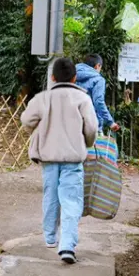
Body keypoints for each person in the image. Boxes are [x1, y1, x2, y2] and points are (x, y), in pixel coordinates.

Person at [21, 58, 98, 264]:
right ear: (75, 78)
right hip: (73, 158)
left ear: (53, 77)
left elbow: (26, 121)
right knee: (71, 200)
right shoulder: (83, 99)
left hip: (48, 157)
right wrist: (87, 143)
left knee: (51, 196)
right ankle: (67, 246)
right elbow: (91, 128)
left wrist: (41, 131)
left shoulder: (42, 99)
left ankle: (50, 238)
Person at [75, 54, 120, 132]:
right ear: (97, 66)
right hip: (90, 124)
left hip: (71, 122)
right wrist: (110, 122)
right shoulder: (98, 79)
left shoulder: (71, 75)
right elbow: (98, 102)